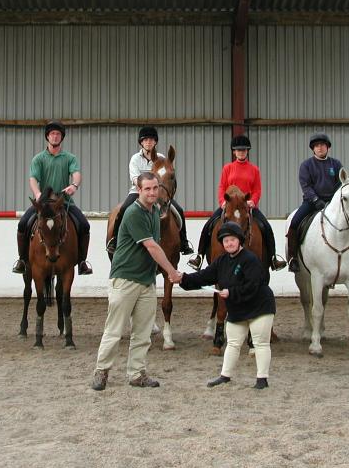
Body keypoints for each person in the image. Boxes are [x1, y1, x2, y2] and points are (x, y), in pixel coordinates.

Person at [91, 171, 181, 391]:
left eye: (155, 188)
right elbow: (151, 246)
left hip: (146, 281)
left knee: (142, 333)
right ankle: (101, 371)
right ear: (139, 190)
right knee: (114, 330)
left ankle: (137, 373)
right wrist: (171, 271)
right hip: (125, 280)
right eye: (147, 188)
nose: (152, 192)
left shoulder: (156, 212)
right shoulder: (133, 213)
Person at [173, 221, 275, 389]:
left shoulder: (251, 259)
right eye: (225, 241)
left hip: (259, 307)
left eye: (232, 240)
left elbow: (253, 285)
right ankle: (225, 376)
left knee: (260, 343)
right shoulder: (221, 261)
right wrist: (183, 278)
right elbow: (204, 277)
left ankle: (262, 379)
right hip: (237, 308)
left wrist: (231, 293)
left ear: (239, 241)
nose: (229, 243)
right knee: (233, 343)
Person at [188, 135, 286, 271]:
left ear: (247, 151)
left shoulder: (254, 169)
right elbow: (222, 187)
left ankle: (274, 258)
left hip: (246, 205)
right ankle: (199, 256)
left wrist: (253, 201)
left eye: (244, 150)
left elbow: (257, 189)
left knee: (266, 227)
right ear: (234, 152)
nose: (241, 152)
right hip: (229, 205)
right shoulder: (228, 168)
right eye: (238, 150)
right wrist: (222, 201)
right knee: (209, 225)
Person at [12, 120, 92, 275]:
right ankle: (22, 260)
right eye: (52, 134)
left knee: (84, 225)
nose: (55, 137)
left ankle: (82, 262)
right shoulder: (38, 158)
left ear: (61, 138)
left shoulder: (69, 158)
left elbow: (76, 173)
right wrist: (37, 193)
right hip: (43, 203)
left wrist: (74, 186)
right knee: (23, 224)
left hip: (64, 201)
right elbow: (33, 178)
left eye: (58, 134)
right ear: (47, 137)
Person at [106, 125, 192, 256]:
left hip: (158, 192)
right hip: (138, 192)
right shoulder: (135, 158)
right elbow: (134, 178)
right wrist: (145, 187)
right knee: (123, 209)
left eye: (151, 140)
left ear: (155, 142)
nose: (148, 142)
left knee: (179, 210)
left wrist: (157, 189)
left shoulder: (162, 158)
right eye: (145, 140)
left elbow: (165, 176)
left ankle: (184, 242)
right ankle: (115, 240)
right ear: (141, 142)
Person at [285, 133, 344, 272]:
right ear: (313, 149)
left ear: (327, 147)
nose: (320, 148)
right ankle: (293, 258)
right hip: (312, 203)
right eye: (317, 146)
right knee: (294, 223)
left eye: (323, 145)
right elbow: (306, 186)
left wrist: (333, 200)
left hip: (332, 202)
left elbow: (340, 183)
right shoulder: (306, 165)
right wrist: (316, 200)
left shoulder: (336, 164)